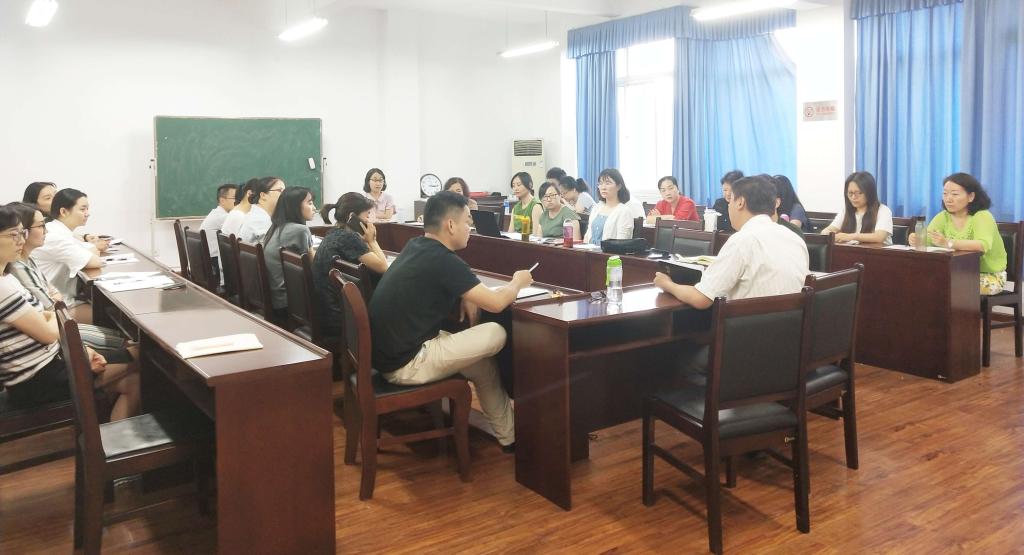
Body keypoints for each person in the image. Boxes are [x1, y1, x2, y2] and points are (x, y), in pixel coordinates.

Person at [368, 191, 532, 451]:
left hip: (390, 356)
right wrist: (517, 282)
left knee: (483, 366)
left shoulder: (416, 246)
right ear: (451, 225)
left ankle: (510, 438)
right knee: (496, 331)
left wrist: (466, 293)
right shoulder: (442, 260)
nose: (470, 228)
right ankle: (515, 430)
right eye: (468, 221)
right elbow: (496, 303)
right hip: (408, 363)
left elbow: (450, 279)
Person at [0, 205, 139, 419]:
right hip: (38, 381)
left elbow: (50, 314)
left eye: (22, 232)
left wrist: (79, 348)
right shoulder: (3, 288)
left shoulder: (7, 278)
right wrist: (52, 316)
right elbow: (50, 330)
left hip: (52, 364)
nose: (20, 240)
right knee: (143, 354)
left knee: (133, 381)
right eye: (13, 234)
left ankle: (107, 439)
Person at [654, 175, 809, 308]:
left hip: (745, 330)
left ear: (740, 202)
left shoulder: (743, 240)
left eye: (730, 201)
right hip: (789, 330)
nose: (729, 207)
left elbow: (702, 298)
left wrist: (667, 284)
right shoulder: (794, 238)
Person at [7, 202, 128, 353]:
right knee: (119, 333)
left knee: (120, 335)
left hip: (58, 317)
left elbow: (51, 291)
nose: (46, 231)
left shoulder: (28, 258)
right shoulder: (17, 266)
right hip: (57, 324)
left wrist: (54, 299)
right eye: (41, 226)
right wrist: (54, 300)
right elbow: (51, 307)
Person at [909, 172, 1007, 295]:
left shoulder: (982, 216)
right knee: (920, 281)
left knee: (945, 285)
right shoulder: (943, 217)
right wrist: (916, 239)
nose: (948, 199)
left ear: (971, 196)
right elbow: (929, 240)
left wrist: (948, 243)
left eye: (955, 194)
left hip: (989, 276)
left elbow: (982, 245)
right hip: (956, 273)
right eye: (945, 194)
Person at [312, 193, 389, 337]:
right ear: (352, 216)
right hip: (340, 318)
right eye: (367, 215)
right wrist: (372, 241)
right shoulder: (349, 237)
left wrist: (365, 241)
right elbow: (383, 267)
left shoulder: (335, 233)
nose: (369, 221)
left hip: (327, 311)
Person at [30, 188, 105, 315]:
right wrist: (93, 250)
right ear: (64, 211)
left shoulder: (59, 230)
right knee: (106, 314)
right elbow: (95, 261)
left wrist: (92, 250)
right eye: (82, 209)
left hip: (57, 298)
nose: (87, 213)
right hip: (53, 306)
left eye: (87, 209)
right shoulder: (55, 236)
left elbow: (89, 249)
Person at [262, 187, 316, 316]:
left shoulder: (275, 227)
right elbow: (314, 266)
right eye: (310, 203)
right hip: (290, 302)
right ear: (295, 207)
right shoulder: (300, 230)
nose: (314, 208)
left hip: (276, 298)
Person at [821, 172, 893, 245]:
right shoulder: (845, 211)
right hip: (850, 251)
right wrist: (830, 234)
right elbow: (827, 230)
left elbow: (879, 237)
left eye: (859, 193)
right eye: (850, 193)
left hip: (876, 251)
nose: (853, 197)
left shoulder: (883, 210)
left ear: (870, 192)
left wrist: (850, 236)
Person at [583, 168, 634, 245]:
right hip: (589, 250)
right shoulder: (597, 208)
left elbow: (622, 243)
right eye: (600, 183)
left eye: (608, 183)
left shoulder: (624, 211)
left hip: (609, 252)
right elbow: (587, 235)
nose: (603, 187)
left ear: (619, 186)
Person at [199, 183, 237, 280]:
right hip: (214, 264)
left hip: (208, 262)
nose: (238, 201)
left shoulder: (216, 213)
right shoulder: (223, 217)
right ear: (222, 200)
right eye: (234, 198)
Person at [238, 176, 285, 243]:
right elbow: (273, 247)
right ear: (263, 195)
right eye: (280, 190)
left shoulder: (256, 214)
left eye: (285, 191)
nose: (284, 194)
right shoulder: (260, 220)